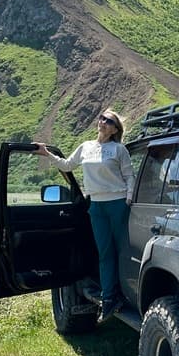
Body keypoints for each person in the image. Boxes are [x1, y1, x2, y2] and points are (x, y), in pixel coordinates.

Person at [32, 108, 135, 320]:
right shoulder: (86, 147)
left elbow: (129, 176)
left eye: (108, 121)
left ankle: (126, 294)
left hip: (117, 203)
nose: (103, 122)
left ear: (115, 129)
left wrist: (128, 199)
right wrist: (47, 153)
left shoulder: (119, 150)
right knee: (105, 252)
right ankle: (109, 298)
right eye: (102, 118)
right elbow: (67, 165)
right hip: (96, 206)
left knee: (122, 250)